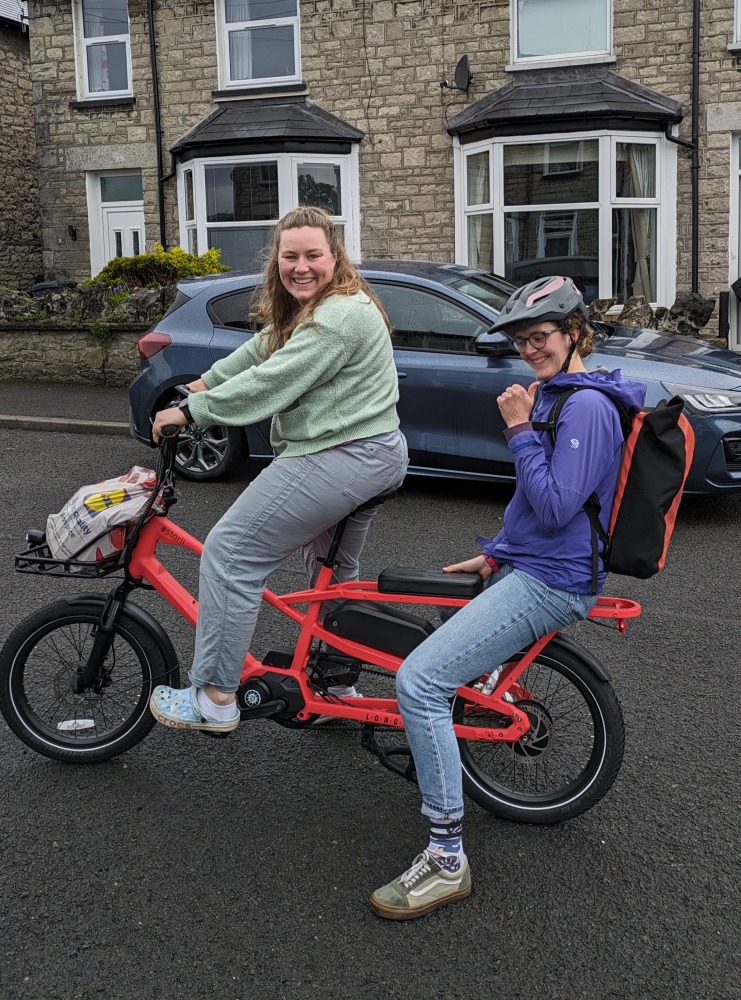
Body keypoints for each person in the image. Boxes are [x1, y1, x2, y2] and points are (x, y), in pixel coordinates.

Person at [370, 275, 646, 920]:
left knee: (420, 683)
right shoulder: (558, 393)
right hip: (530, 563)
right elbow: (533, 501)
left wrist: (519, 429)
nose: (530, 349)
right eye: (522, 340)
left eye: (541, 336)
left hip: (554, 580)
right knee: (434, 651)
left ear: (574, 332)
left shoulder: (586, 407)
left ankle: (445, 858)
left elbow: (555, 506)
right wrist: (495, 550)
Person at [149, 206, 408, 733]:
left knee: (230, 553)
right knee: (331, 575)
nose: (302, 266)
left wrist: (192, 411)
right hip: (372, 452)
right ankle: (336, 683)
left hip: (345, 453)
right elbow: (260, 351)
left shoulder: (339, 317)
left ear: (335, 257)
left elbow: (273, 381)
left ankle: (216, 699)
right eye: (290, 256)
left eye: (314, 255)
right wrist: (201, 384)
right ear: (277, 261)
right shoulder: (312, 310)